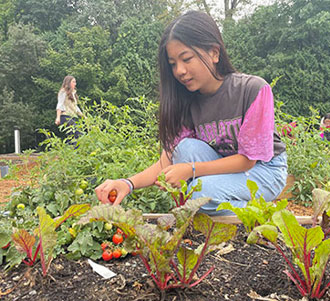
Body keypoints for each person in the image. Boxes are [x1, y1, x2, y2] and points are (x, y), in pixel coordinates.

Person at [95, 11, 288, 216]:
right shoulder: (187, 101)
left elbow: (247, 161)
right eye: (173, 64)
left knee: (199, 194)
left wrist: (190, 170)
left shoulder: (252, 90)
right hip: (223, 169)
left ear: (214, 53)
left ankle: (263, 214)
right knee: (184, 149)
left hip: (264, 171)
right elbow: (166, 161)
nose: (179, 70)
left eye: (186, 59)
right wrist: (127, 183)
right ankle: (226, 209)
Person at [55, 75, 83, 144]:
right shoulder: (63, 91)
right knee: (76, 134)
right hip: (65, 116)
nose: (75, 84)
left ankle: (69, 151)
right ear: (68, 83)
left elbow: (75, 107)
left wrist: (84, 116)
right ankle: (73, 151)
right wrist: (58, 118)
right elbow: (60, 104)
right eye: (73, 82)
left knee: (74, 137)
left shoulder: (73, 93)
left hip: (73, 117)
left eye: (75, 82)